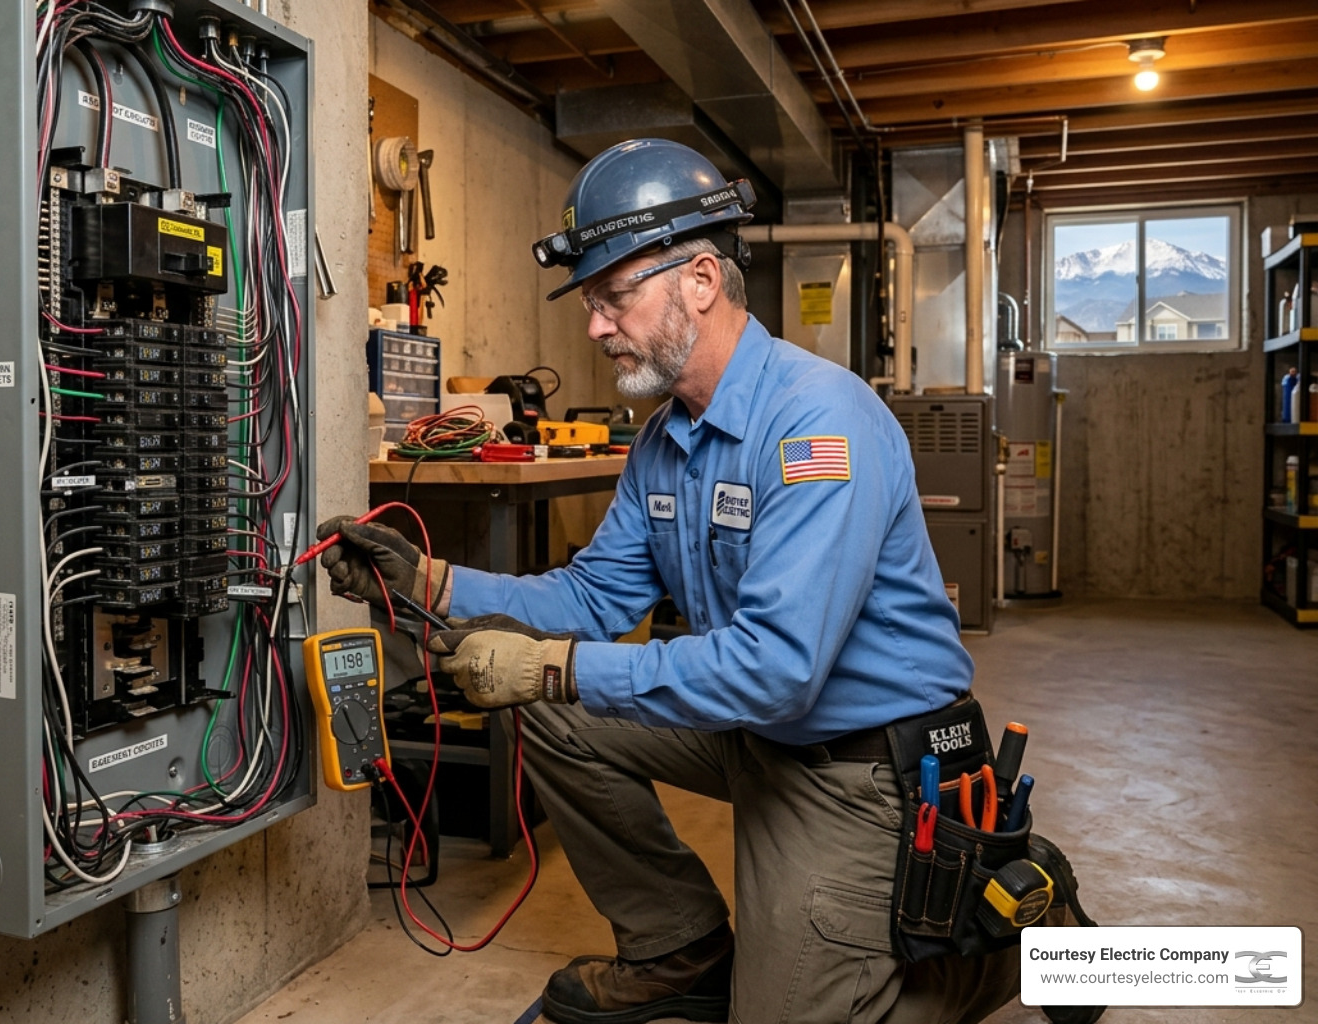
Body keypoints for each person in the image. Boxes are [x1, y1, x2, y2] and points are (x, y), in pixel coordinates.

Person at [317, 139, 1022, 1024]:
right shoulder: (664, 442)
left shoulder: (816, 422)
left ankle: (1002, 955)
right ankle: (679, 947)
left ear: (698, 280)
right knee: (551, 704)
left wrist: (560, 666)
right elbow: (589, 600)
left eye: (614, 297)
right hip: (757, 733)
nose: (595, 327)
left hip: (861, 767)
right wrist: (432, 580)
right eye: (592, 302)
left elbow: (778, 667)